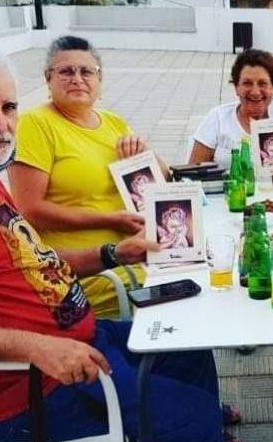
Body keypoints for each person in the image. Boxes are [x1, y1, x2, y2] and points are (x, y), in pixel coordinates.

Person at [0, 50, 230, 442]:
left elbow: (35, 266)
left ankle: (186, 435)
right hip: (33, 385)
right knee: (191, 419)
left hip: (85, 338)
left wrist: (114, 253)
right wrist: (38, 347)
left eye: (9, 107)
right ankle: (190, 434)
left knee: (190, 345)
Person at [9, 36, 168, 319]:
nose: (77, 79)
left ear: (99, 79)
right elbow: (29, 210)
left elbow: (163, 179)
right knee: (179, 297)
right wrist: (110, 220)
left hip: (136, 252)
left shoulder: (113, 122)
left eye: (86, 72)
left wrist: (145, 154)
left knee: (202, 274)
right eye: (66, 71)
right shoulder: (35, 125)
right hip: (88, 269)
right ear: (48, 79)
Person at [189, 49, 273, 182]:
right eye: (247, 83)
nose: (255, 92)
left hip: (272, 200)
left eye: (262, 83)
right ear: (236, 87)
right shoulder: (218, 118)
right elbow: (192, 174)